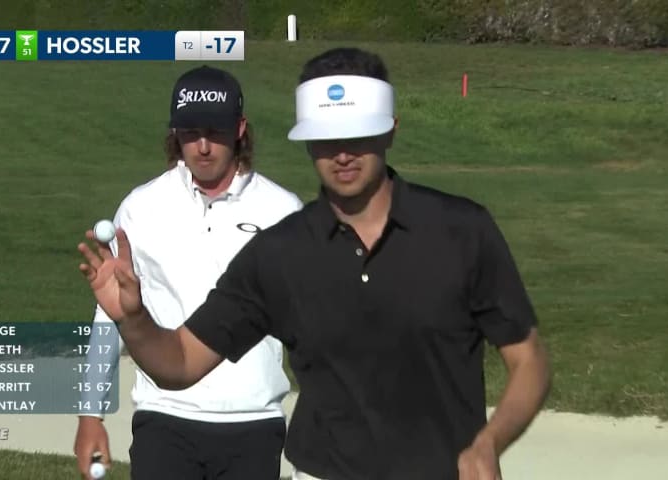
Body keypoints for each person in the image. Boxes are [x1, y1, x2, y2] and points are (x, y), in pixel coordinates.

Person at [78, 48, 551, 480]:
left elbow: (529, 361)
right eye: (325, 138)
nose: (342, 152)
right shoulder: (278, 252)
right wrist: (133, 319)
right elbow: (179, 363)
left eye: (357, 134)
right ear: (306, 142)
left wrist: (490, 443)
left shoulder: (461, 231)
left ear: (390, 129)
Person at [73, 65, 302, 480]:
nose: (202, 146)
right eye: (189, 132)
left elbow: (310, 324)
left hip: (254, 421)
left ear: (239, 129)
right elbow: (110, 314)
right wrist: (90, 413)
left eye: (214, 132)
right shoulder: (142, 206)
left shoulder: (282, 210)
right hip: (164, 417)